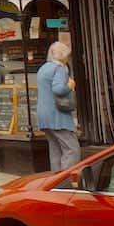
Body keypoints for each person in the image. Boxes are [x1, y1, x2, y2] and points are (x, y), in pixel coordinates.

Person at [37, 40, 79, 171]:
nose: (67, 58)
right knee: (72, 150)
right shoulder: (59, 68)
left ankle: (56, 180)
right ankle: (66, 181)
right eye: (67, 55)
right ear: (63, 55)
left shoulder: (43, 68)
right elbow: (58, 89)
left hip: (44, 115)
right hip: (58, 116)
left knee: (55, 150)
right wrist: (70, 85)